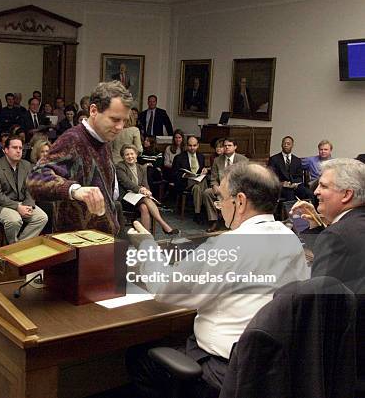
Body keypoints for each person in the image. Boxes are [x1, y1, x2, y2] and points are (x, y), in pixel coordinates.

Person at [126, 163, 310, 398]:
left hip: (224, 369)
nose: (219, 206)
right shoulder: (290, 239)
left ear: (240, 201)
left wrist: (146, 245)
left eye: (221, 198)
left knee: (139, 358)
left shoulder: (227, 245)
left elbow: (165, 288)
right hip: (270, 367)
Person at [290, 158, 365, 381]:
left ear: (347, 194)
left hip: (344, 354)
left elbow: (318, 301)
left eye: (323, 186)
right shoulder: (351, 225)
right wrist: (318, 225)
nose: (316, 192)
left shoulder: (336, 236)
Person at [27, 81, 133, 236]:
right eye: (115, 119)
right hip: (77, 244)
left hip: (101, 241)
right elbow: (35, 178)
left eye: (124, 120)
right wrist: (74, 190)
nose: (120, 127)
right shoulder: (73, 139)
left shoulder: (104, 139)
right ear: (93, 110)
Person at [0, 136, 48, 244]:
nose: (18, 151)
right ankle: (14, 247)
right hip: (1, 205)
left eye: (20, 148)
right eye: (15, 147)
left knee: (42, 217)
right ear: (5, 150)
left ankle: (19, 245)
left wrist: (28, 204)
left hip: (22, 203)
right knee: (15, 220)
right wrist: (18, 207)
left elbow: (30, 188)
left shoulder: (26, 165)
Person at [116, 144, 178, 235]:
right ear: (123, 156)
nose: (130, 156)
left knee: (144, 207)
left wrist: (148, 192)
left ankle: (146, 236)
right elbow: (127, 183)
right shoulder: (120, 167)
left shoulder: (141, 168)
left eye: (132, 154)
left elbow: (145, 184)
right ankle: (164, 225)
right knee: (145, 199)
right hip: (126, 198)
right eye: (127, 154)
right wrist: (141, 190)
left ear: (136, 155)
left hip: (139, 198)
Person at [202, 138, 248, 232]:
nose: (227, 147)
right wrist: (214, 186)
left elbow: (245, 179)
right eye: (225, 145)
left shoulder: (243, 160)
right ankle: (214, 220)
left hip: (236, 189)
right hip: (221, 188)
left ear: (235, 147)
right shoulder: (217, 160)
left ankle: (235, 221)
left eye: (229, 145)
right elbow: (214, 178)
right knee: (207, 193)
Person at [172, 136, 208, 223]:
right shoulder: (179, 157)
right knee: (202, 184)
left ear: (198, 145)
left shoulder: (201, 156)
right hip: (185, 182)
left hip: (197, 182)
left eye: (194, 145)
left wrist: (205, 170)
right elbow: (174, 174)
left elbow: (201, 170)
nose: (192, 148)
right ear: (186, 146)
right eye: (190, 145)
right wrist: (185, 175)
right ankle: (204, 211)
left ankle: (197, 213)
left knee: (197, 187)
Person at [267, 136, 314, 201]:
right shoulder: (274, 159)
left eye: (288, 144)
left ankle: (311, 210)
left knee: (309, 193)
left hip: (295, 186)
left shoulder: (297, 160)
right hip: (281, 187)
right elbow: (271, 176)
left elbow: (299, 177)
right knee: (290, 194)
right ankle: (291, 211)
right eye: (284, 143)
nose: (286, 145)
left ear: (292, 145)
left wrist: (293, 184)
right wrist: (281, 183)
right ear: (281, 145)